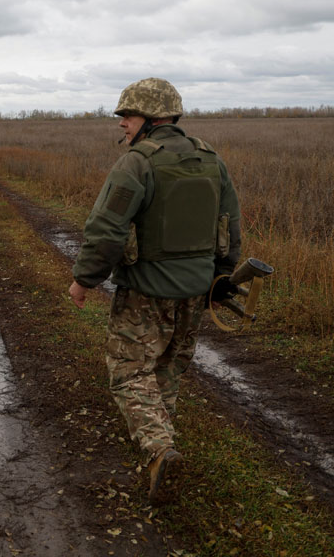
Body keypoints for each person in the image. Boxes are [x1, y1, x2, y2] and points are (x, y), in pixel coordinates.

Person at [68, 78, 241, 503]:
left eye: (126, 116)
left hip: (145, 291)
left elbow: (106, 229)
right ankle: (164, 444)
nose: (122, 125)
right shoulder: (210, 159)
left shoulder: (137, 163)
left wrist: (84, 278)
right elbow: (230, 227)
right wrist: (221, 279)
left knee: (129, 371)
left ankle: (159, 449)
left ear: (150, 117)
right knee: (168, 367)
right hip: (196, 292)